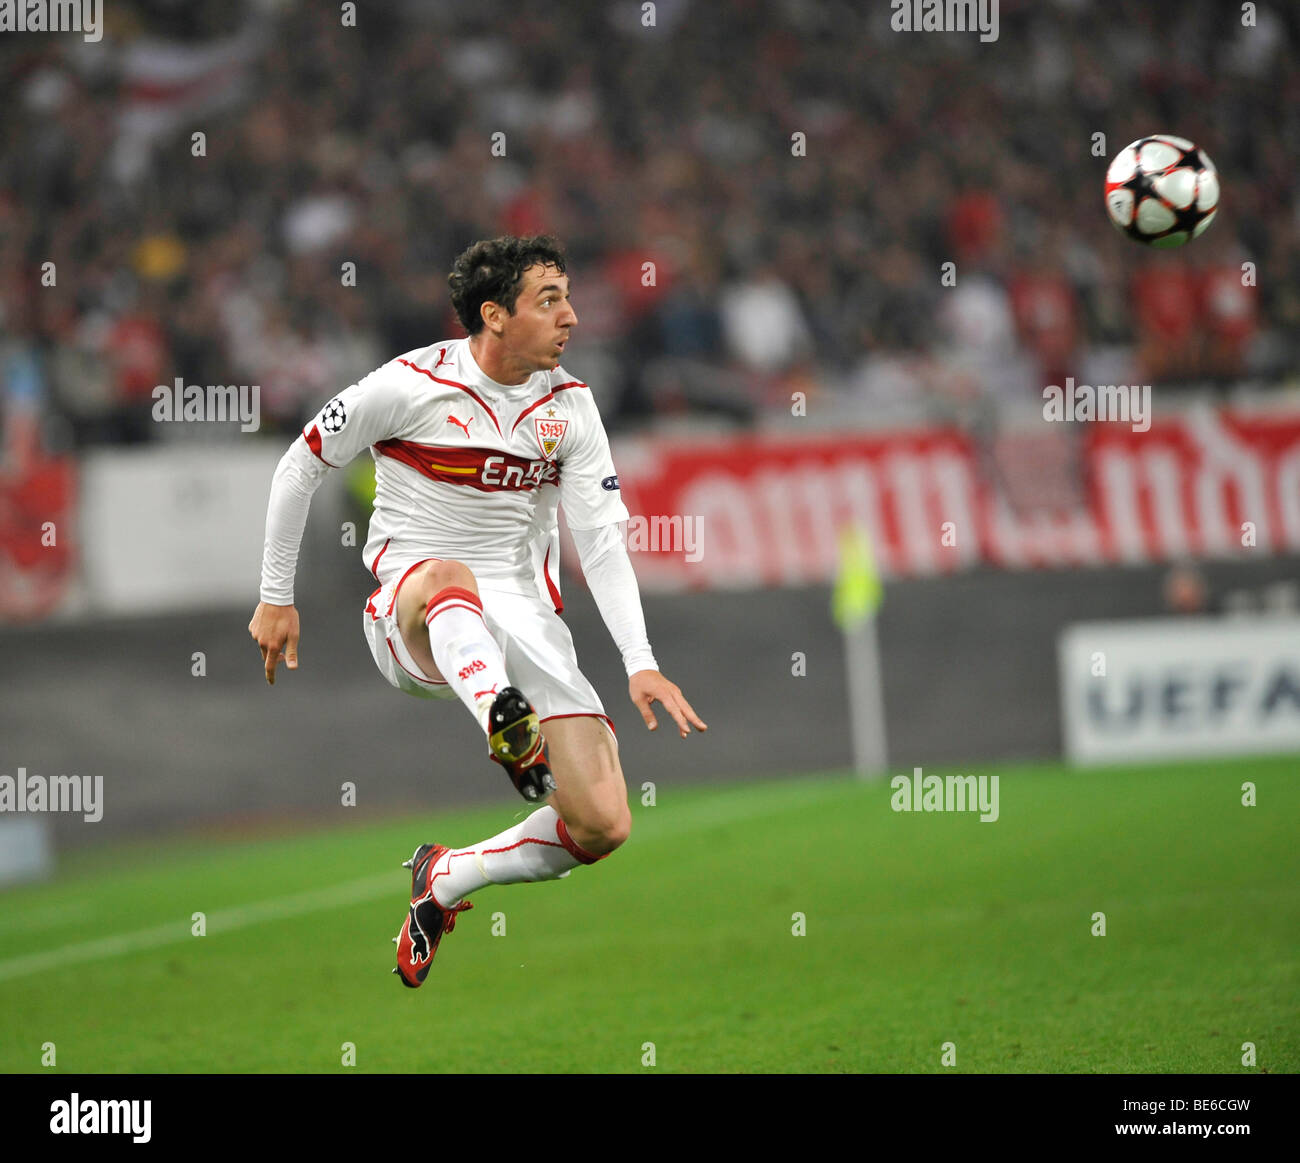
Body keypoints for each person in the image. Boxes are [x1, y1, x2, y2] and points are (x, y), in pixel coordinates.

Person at [248, 234, 706, 988]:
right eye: (550, 300)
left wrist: (641, 662)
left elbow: (601, 542)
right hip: (412, 615)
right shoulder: (409, 383)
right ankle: (505, 718)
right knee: (450, 575)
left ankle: (448, 877)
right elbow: (300, 462)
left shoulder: (571, 410)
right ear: (494, 315)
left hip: (524, 621)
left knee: (603, 821)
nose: (572, 317)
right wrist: (275, 594)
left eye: (568, 297)